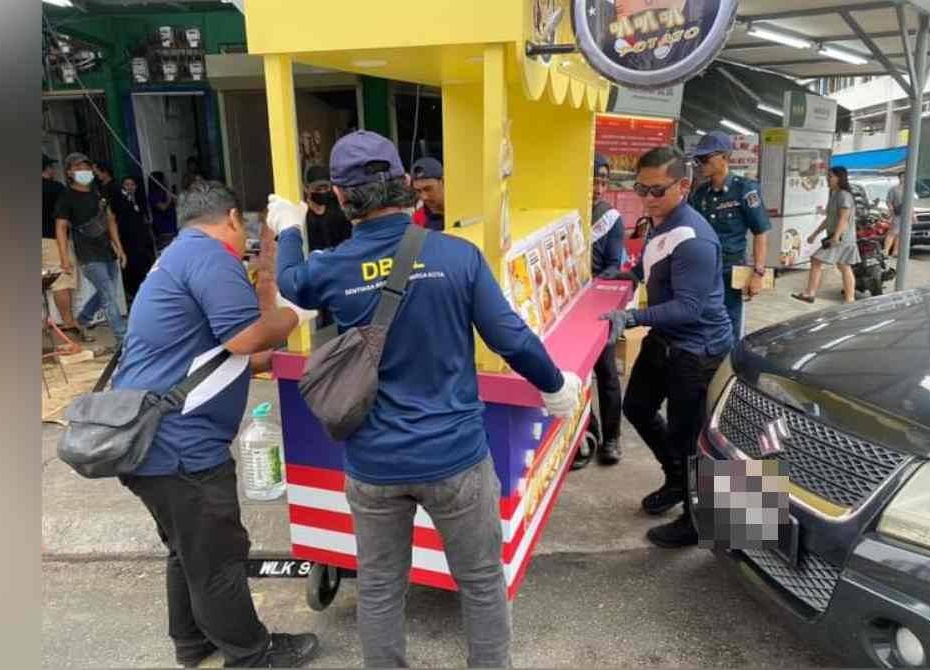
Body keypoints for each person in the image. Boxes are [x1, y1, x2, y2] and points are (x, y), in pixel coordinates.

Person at [269, 130, 581, 668]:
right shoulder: (457, 257)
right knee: (481, 581)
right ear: (408, 186)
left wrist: (290, 230)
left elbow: (291, 282)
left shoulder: (334, 268)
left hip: (373, 464)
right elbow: (510, 336)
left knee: (380, 586)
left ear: (341, 198)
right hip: (455, 458)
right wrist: (556, 387)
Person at [113, 180, 321, 668]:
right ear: (231, 219)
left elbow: (229, 356)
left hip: (150, 442)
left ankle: (193, 642)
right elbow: (248, 337)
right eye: (247, 232)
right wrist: (294, 314)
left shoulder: (176, 257)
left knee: (188, 550)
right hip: (180, 447)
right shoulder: (209, 257)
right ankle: (251, 654)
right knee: (219, 555)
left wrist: (272, 340)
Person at [602, 145, 733, 548]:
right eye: (641, 188)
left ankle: (697, 523)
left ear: (684, 186)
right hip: (667, 341)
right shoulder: (659, 221)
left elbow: (690, 308)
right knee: (637, 407)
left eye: (657, 190)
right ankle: (677, 480)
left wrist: (633, 318)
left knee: (692, 436)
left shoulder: (694, 238)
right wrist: (624, 274)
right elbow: (651, 268)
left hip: (697, 350)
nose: (647, 198)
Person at [689, 131, 771, 342]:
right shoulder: (699, 194)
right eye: (699, 159)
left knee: (730, 324)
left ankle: (729, 368)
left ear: (724, 157)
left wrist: (758, 273)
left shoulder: (745, 190)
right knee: (703, 320)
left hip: (730, 270)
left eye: (705, 158)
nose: (701, 164)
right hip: (703, 270)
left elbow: (761, 232)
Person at [55, 152, 128, 348]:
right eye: (77, 168)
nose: (83, 171)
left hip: (106, 250)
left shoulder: (99, 193)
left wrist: (119, 248)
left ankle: (83, 319)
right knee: (108, 295)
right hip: (87, 254)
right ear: (69, 172)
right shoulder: (66, 197)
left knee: (107, 291)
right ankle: (124, 340)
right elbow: (61, 227)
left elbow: (110, 220)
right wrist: (64, 258)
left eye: (86, 167)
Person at [589, 154, 625, 465]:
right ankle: (588, 431)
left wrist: (605, 278)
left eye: (603, 181)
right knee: (574, 377)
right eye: (593, 180)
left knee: (606, 372)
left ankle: (612, 438)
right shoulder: (566, 210)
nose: (598, 188)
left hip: (596, 305)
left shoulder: (611, 218)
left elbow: (615, 263)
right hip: (563, 303)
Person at [791, 166, 861, 305]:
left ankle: (810, 294)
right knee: (844, 267)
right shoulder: (835, 194)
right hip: (840, 237)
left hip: (841, 238)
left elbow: (843, 218)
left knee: (816, 260)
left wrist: (835, 237)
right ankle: (850, 300)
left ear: (839, 178)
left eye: (830, 176)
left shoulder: (843, 195)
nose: (828, 179)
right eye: (828, 176)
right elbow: (829, 218)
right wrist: (815, 234)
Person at [42, 155, 92, 342]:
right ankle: (69, 322)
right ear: (47, 169)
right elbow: (65, 219)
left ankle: (44, 324)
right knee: (60, 282)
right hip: (51, 239)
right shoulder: (57, 189)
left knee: (42, 283)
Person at [114, 175, 156, 307]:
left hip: (142, 239)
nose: (129, 187)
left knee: (145, 265)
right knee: (132, 266)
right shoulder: (120, 201)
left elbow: (145, 218)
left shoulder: (140, 200)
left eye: (132, 184)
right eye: (126, 185)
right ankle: (134, 294)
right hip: (128, 240)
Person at [303, 164, 352, 252]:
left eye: (326, 188)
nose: (322, 192)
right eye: (317, 189)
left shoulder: (339, 211)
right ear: (307, 189)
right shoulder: (303, 215)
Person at [410, 156, 446, 231]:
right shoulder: (417, 218)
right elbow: (412, 243)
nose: (424, 197)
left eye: (428, 189)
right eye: (418, 191)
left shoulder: (463, 209)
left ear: (443, 181)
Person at [884, 170, 914, 258]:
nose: (904, 179)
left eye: (905, 177)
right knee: (892, 233)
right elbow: (888, 202)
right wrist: (892, 211)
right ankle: (886, 251)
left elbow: (911, 204)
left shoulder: (909, 189)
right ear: (899, 178)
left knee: (901, 234)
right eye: (902, 177)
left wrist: (913, 216)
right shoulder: (893, 189)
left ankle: (895, 252)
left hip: (906, 215)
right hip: (897, 214)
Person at [148, 171, 178, 250]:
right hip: (164, 228)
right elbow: (162, 207)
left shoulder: (164, 191)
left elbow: (175, 202)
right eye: (164, 179)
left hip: (172, 225)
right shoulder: (153, 194)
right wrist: (169, 198)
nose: (165, 181)